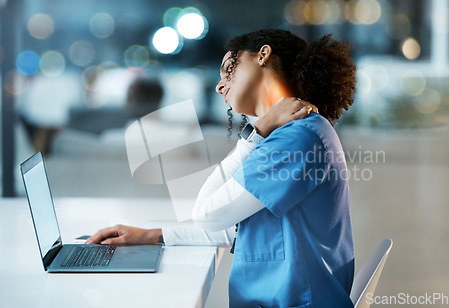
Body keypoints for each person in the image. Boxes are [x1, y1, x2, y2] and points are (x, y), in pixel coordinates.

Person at [87, 29, 357, 307]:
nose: (219, 85)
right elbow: (239, 225)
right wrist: (151, 235)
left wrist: (256, 133)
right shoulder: (289, 134)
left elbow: (208, 215)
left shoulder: (296, 138)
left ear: (262, 55)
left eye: (229, 68)